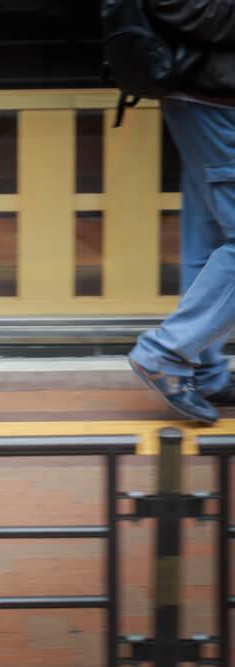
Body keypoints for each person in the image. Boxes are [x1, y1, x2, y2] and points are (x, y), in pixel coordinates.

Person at [128, 1, 235, 423]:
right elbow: (183, 9)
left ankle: (204, 369)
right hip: (212, 98)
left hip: (209, 95)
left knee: (208, 237)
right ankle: (165, 353)